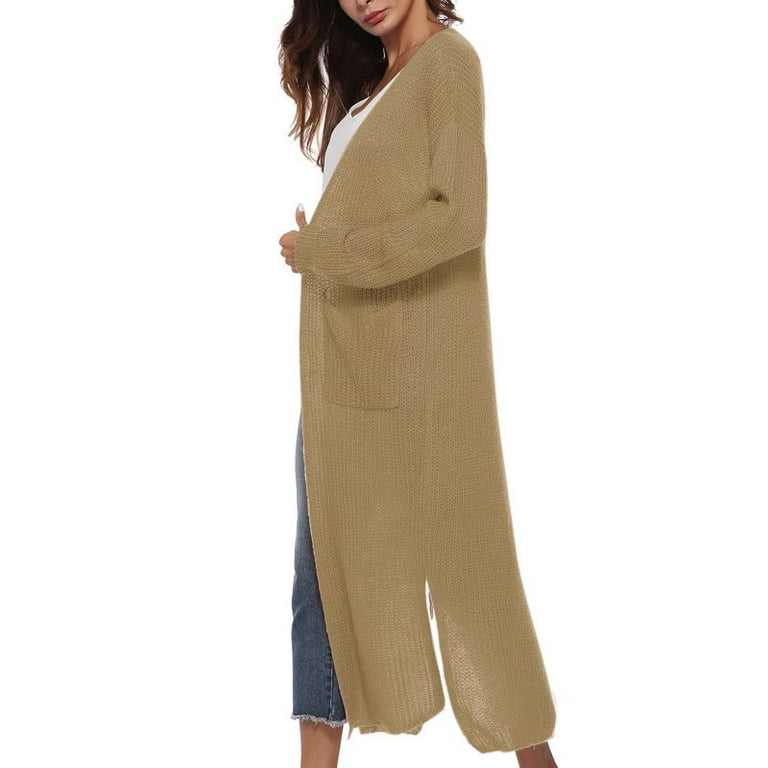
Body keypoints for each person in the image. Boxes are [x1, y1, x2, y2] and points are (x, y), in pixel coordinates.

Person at [278, 3, 560, 767]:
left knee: (469, 571)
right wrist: (325, 248)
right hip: (344, 380)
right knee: (323, 581)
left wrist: (323, 251)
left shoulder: (448, 64)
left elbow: (459, 218)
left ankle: (536, 756)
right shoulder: (372, 80)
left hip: (422, 379)